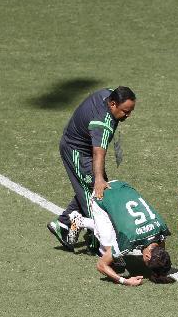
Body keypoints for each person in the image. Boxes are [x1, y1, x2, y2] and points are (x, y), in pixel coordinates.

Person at [47, 87, 136, 250]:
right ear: (113, 104)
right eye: (125, 111)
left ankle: (63, 224)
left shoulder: (108, 94)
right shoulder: (103, 122)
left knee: (89, 189)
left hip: (83, 147)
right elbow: (98, 153)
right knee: (97, 196)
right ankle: (101, 244)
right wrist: (99, 179)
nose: (128, 115)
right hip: (77, 151)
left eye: (130, 111)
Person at [69, 180, 173, 285]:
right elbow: (101, 265)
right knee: (109, 249)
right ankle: (79, 221)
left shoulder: (161, 229)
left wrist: (159, 273)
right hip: (102, 194)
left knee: (117, 232)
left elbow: (161, 245)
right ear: (147, 256)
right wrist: (125, 281)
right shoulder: (129, 240)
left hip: (122, 186)